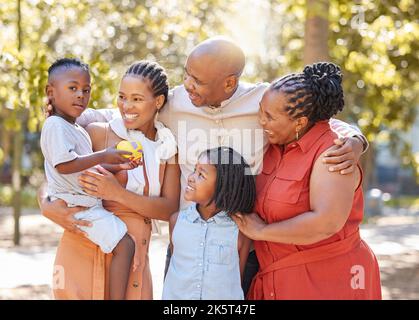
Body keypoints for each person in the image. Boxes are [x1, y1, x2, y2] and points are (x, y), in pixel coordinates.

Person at [40, 37, 368, 296]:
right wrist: (48, 186)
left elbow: (315, 121)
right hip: (185, 238)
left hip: (242, 240)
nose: (187, 85)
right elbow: (109, 117)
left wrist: (355, 139)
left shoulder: (262, 101)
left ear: (229, 83)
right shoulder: (173, 103)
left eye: (196, 80)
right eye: (186, 74)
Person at [232, 62, 382, 300]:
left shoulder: (333, 152)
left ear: (300, 122)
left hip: (328, 281)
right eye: (260, 111)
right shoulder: (272, 143)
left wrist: (262, 231)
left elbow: (326, 223)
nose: (260, 121)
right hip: (275, 280)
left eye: (269, 116)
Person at [38, 60, 180, 299]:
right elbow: (57, 167)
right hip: (82, 243)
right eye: (122, 96)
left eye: (137, 99)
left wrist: (117, 193)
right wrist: (46, 203)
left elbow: (170, 208)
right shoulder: (96, 130)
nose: (126, 106)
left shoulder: (167, 147)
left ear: (158, 102)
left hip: (131, 256)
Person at [41, 58, 137, 300]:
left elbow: (83, 167)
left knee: (121, 246)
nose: (81, 95)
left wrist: (116, 164)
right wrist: (104, 154)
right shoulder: (54, 125)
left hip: (86, 204)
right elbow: (65, 166)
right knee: (125, 246)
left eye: (86, 89)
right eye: (72, 88)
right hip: (78, 207)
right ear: (50, 92)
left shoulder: (76, 129)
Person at [162, 147, 255, 300]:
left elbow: (237, 279)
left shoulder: (240, 230)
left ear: (223, 188)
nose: (190, 177)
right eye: (194, 170)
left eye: (201, 175)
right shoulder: (176, 221)